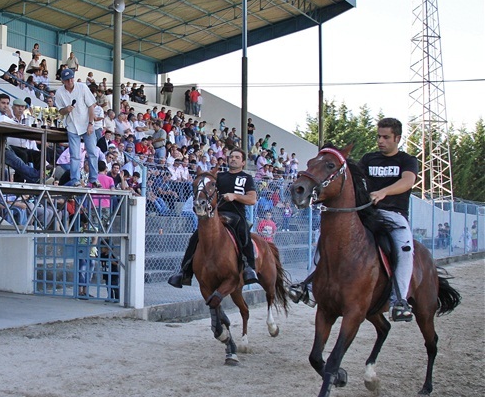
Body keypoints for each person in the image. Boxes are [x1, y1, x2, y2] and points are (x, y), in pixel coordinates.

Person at [290, 118, 419, 322]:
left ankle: (399, 300)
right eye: (379, 136)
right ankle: (310, 286)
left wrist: (383, 192)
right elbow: (352, 179)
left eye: (386, 137)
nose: (380, 141)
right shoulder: (369, 159)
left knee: (405, 248)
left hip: (394, 216)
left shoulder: (407, 160)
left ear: (397, 139)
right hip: (366, 213)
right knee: (324, 239)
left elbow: (408, 181)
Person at [168, 148, 258, 288]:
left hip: (236, 216)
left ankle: (249, 268)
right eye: (231, 156)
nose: (233, 159)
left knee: (243, 233)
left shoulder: (247, 178)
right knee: (195, 237)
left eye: (237, 157)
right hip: (216, 214)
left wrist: (235, 196)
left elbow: (252, 199)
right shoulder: (219, 177)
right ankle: (184, 272)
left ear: (243, 162)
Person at [55, 68, 98, 187]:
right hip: (72, 126)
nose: (70, 81)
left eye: (71, 78)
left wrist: (90, 124)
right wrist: (66, 109)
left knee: (92, 152)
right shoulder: (59, 93)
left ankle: (93, 178)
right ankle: (75, 180)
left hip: (86, 124)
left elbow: (91, 106)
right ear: (63, 81)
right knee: (74, 155)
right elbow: (60, 111)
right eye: (67, 80)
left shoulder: (82, 87)